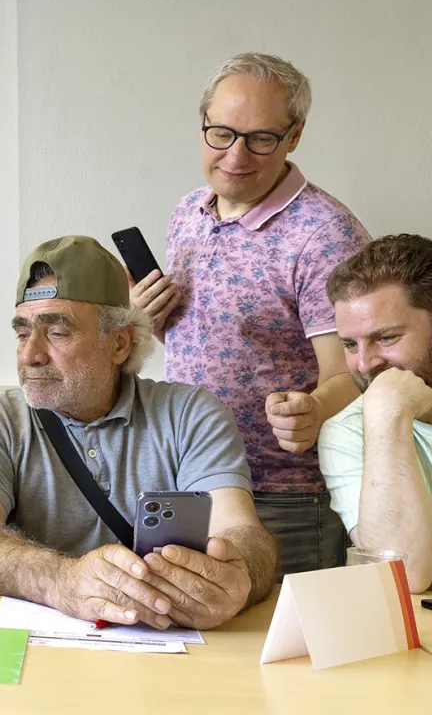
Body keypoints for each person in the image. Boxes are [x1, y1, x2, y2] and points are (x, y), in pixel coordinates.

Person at [0, 236, 277, 630]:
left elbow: (240, 531)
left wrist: (239, 577)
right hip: (33, 651)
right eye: (22, 333)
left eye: (57, 333)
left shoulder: (190, 414)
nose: (30, 355)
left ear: (119, 343)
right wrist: (61, 581)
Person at [131, 52, 370, 574]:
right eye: (221, 134)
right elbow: (212, 342)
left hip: (283, 497)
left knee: (283, 631)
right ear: (202, 124)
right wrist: (144, 319)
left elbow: (355, 373)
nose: (236, 155)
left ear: (294, 135)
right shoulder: (188, 212)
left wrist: (313, 409)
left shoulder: (325, 235)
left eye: (261, 139)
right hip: (187, 482)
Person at [319, 234, 432, 592]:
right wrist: (387, 414)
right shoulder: (347, 431)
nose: (365, 364)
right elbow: (402, 575)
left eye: (386, 338)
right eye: (350, 344)